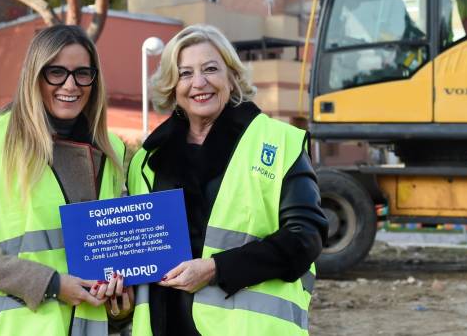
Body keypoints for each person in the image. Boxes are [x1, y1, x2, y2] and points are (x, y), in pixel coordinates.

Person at [127, 24, 328, 336]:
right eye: (185, 73)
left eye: (211, 69)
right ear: (171, 85)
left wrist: (215, 268)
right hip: (164, 325)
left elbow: (306, 237)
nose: (199, 83)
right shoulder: (147, 161)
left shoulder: (275, 142)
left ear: (232, 77)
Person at [0, 24, 133, 335]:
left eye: (83, 73)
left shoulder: (110, 152)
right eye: (56, 72)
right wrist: (51, 284)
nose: (70, 85)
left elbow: (103, 262)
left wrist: (119, 309)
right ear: (35, 75)